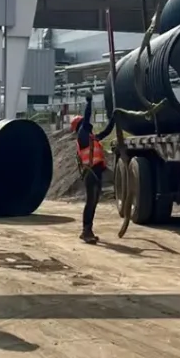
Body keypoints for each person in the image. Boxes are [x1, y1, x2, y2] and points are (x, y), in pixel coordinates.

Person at [71, 92, 115, 244]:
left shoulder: (92, 138)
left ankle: (88, 230)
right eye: (84, 123)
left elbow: (106, 132)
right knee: (91, 202)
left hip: (96, 173)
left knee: (94, 202)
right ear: (80, 126)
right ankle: (86, 230)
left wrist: (114, 118)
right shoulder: (82, 136)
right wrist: (89, 102)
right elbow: (87, 117)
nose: (88, 124)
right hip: (90, 174)